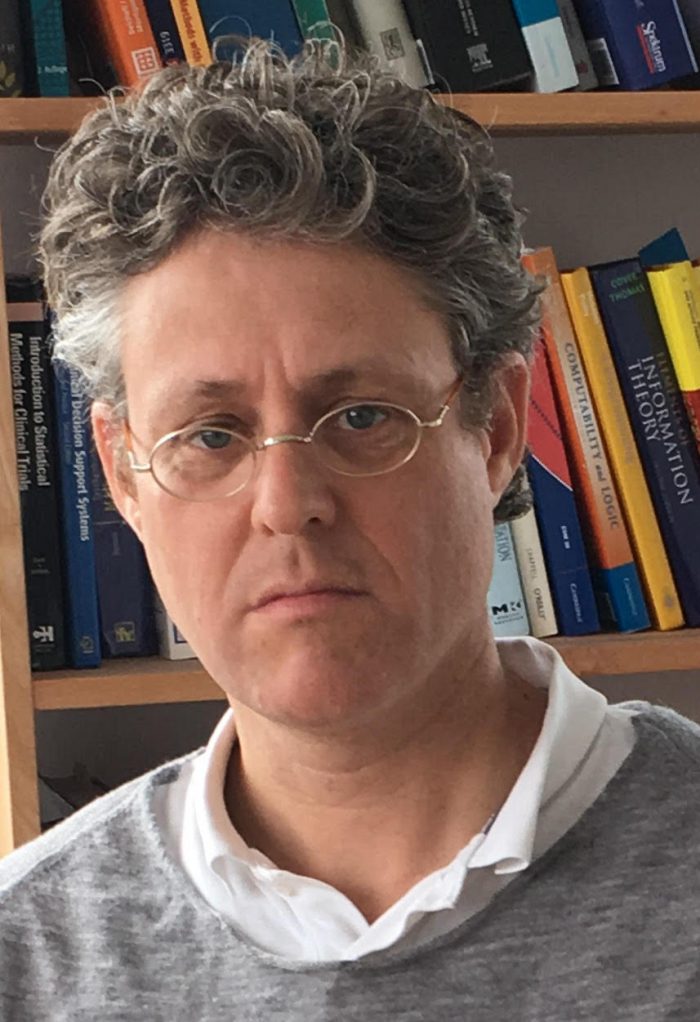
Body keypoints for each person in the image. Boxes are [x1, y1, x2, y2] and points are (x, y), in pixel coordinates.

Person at [2, 38, 700, 1022]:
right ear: (124, 473)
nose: (287, 502)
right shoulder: (25, 956)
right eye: (211, 434)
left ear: (498, 428)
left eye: (362, 416)